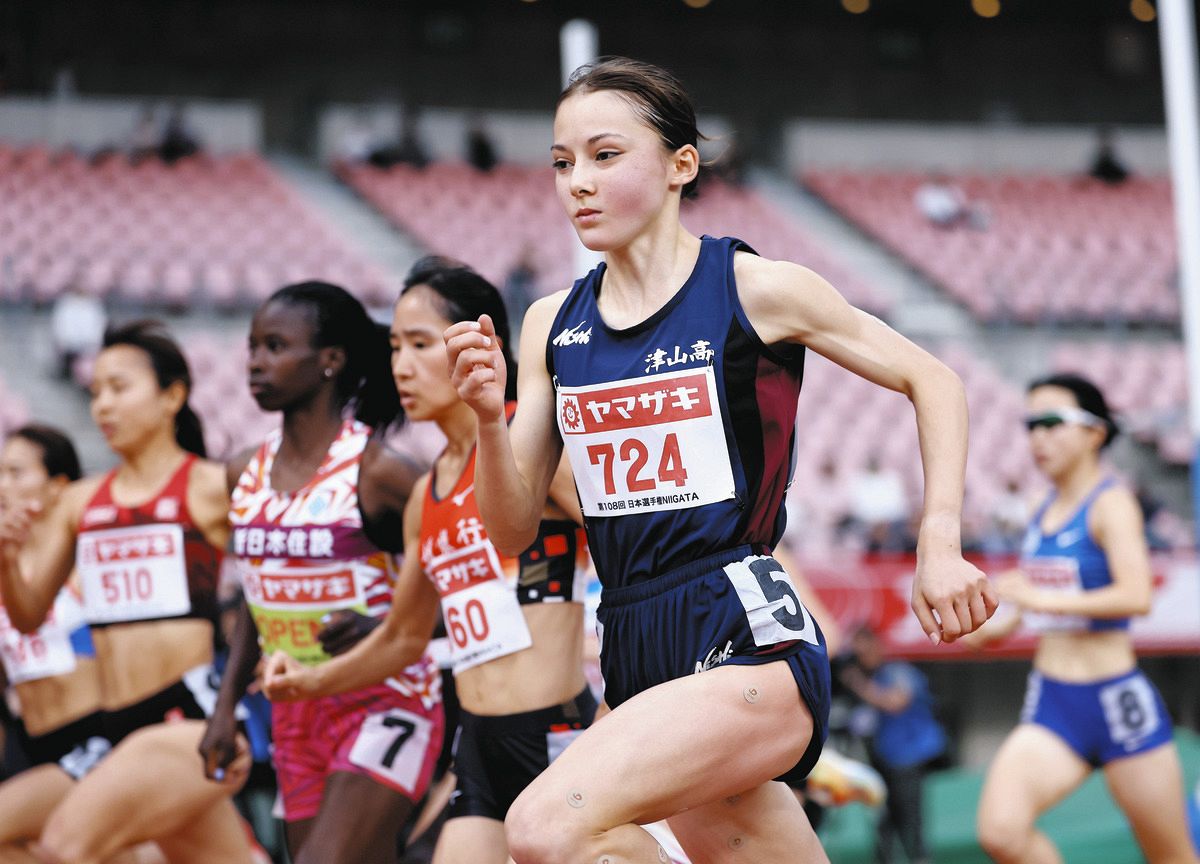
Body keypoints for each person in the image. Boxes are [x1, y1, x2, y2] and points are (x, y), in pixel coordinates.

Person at [444, 56, 995, 863]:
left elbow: (933, 378)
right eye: (562, 164)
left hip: (744, 626)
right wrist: (490, 420)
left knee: (544, 828)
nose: (577, 184)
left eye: (605, 156)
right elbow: (510, 528)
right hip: (632, 639)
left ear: (681, 166)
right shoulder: (548, 327)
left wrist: (939, 540)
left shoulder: (756, 289)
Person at [262, 258, 595, 864]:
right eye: (395, 346)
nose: (402, 365)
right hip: (478, 745)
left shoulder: (535, 443)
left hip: (555, 735)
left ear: (478, 344)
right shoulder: (425, 493)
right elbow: (403, 636)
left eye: (420, 343)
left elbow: (632, 546)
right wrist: (305, 683)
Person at [199, 281, 443, 864]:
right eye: (253, 346)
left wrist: (382, 626)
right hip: (293, 709)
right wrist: (225, 708)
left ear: (330, 360)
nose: (256, 362)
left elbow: (464, 585)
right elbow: (258, 609)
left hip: (385, 698)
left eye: (276, 346)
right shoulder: (241, 473)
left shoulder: (380, 473)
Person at [0, 321, 257, 863]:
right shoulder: (81, 502)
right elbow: (26, 615)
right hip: (114, 725)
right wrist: (5, 557)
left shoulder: (209, 485)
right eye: (94, 393)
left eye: (119, 388)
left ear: (173, 396)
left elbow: (275, 578)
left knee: (65, 847)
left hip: (189, 715)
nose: (102, 407)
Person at [972, 373, 1198, 864]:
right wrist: (979, 628)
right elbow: (1026, 612)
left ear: (1095, 432)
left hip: (1118, 705)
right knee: (1001, 832)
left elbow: (1136, 596)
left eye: (1052, 423)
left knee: (1174, 857)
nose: (1037, 437)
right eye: (1030, 425)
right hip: (1054, 704)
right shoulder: (1039, 510)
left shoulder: (1112, 504)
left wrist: (1039, 599)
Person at [841, 626, 945, 864]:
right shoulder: (870, 677)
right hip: (881, 761)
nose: (862, 658)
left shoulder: (898, 670)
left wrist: (857, 683)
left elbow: (896, 701)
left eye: (865, 651)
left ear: (877, 646)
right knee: (884, 824)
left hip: (907, 757)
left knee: (911, 822)